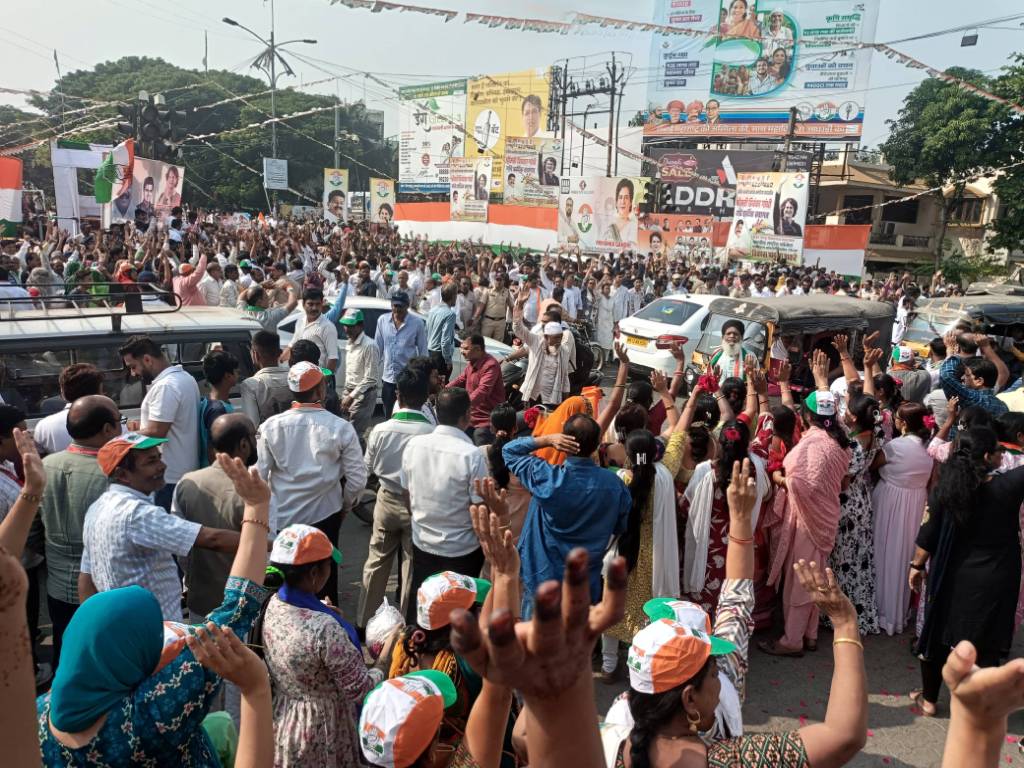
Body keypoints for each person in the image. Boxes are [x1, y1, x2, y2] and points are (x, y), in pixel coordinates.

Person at [39, 453, 273, 766]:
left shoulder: (40, 716)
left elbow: (86, 579)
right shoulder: (156, 711)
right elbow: (237, 608)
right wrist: (257, 510)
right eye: (153, 635)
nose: (161, 465)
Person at [910, 427, 1024, 717]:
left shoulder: (948, 491)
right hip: (997, 578)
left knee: (937, 633)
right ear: (987, 457)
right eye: (999, 451)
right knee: (986, 641)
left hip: (953, 575)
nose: (1004, 454)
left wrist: (917, 566)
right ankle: (976, 706)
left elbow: (929, 533)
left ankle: (929, 700)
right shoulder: (1008, 487)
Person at [262, 523, 393, 767]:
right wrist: (387, 654)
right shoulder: (325, 628)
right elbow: (361, 689)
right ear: (314, 574)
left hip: (286, 720)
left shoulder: (271, 605)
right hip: (323, 729)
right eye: (328, 566)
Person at [78, 432, 245, 620]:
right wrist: (273, 542)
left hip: (121, 627)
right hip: (156, 633)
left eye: (159, 458)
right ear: (123, 475)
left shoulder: (97, 508)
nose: (162, 466)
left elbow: (86, 576)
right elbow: (211, 539)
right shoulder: (137, 514)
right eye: (151, 462)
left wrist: (92, 623)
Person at [256, 361, 366, 601]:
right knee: (324, 589)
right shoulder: (340, 428)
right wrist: (345, 507)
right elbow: (357, 480)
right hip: (325, 520)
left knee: (284, 592)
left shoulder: (270, 427)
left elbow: (260, 477)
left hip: (284, 522)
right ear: (320, 391)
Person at [503, 414, 632, 616]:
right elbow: (620, 527)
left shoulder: (547, 477)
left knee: (535, 642)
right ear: (597, 444)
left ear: (564, 442)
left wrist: (547, 440)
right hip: (583, 583)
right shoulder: (615, 485)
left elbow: (509, 451)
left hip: (541, 578)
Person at [760, 373, 852, 657]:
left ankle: (792, 640)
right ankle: (809, 634)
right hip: (825, 517)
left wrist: (778, 479)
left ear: (807, 416)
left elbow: (799, 484)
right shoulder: (840, 438)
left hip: (808, 521)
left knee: (800, 582)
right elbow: (842, 480)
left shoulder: (813, 444)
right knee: (815, 577)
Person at [600, 414, 693, 680]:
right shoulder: (666, 472)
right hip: (655, 559)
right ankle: (638, 667)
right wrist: (688, 396)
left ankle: (608, 667)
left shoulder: (620, 480)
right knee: (644, 614)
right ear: (654, 452)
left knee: (612, 608)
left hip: (621, 556)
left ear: (629, 455)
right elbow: (676, 436)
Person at [38, 395, 122, 673]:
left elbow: (32, 529)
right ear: (107, 430)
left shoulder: (46, 465)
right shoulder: (110, 473)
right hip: (99, 585)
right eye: (119, 422)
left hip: (56, 584)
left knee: (66, 649)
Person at [400, 388, 489, 622]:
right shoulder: (472, 455)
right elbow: (480, 507)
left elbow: (405, 493)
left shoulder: (414, 446)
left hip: (423, 542)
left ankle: (419, 654)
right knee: (457, 617)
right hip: (462, 550)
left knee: (424, 612)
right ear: (468, 414)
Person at [359, 366, 435, 630]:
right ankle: (402, 628)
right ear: (425, 397)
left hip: (386, 500)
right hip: (419, 505)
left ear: (398, 395)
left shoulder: (380, 430)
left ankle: (365, 621)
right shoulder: (431, 432)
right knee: (410, 567)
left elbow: (365, 469)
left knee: (377, 562)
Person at [872, 401, 933, 636]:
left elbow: (872, 465)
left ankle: (882, 611)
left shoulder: (895, 446)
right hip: (916, 503)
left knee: (885, 553)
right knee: (904, 555)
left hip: (891, 502)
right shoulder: (930, 446)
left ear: (903, 423)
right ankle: (899, 610)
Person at [120, 334, 201, 510]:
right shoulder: (185, 377)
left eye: (133, 366)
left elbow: (157, 432)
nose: (133, 373)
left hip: (169, 477)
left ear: (147, 359)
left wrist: (122, 436)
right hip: (181, 472)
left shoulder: (166, 386)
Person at [828, 394, 882, 636]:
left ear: (853, 416)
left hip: (848, 502)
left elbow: (843, 481)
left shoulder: (853, 445)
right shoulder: (874, 435)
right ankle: (860, 614)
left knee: (843, 560)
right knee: (859, 559)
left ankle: (840, 615)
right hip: (863, 499)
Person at [513, 287, 572, 408]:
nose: (557, 340)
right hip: (532, 395)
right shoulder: (536, 340)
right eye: (554, 337)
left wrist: (564, 402)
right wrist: (519, 305)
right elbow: (518, 328)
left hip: (551, 399)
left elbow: (564, 377)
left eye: (559, 337)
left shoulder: (564, 350)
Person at [33, 363, 104, 455]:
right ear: (98, 392)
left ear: (63, 392)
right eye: (102, 389)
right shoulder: (117, 420)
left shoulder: (43, 426)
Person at [376, 291, 428, 417]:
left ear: (407, 306)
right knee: (388, 414)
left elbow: (423, 351)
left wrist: (422, 375)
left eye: (401, 306)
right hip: (388, 378)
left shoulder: (417, 323)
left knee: (407, 413)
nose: (397, 309)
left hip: (408, 379)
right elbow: (378, 348)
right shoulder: (383, 321)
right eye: (395, 306)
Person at [448, 334, 505, 444]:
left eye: (465, 348)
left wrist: (462, 405)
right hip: (470, 417)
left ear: (478, 349)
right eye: (461, 347)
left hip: (486, 420)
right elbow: (461, 379)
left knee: (480, 448)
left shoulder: (490, 365)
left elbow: (483, 390)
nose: (461, 351)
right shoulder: (472, 362)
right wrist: (443, 391)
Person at [940, 331, 1009, 419]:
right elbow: (1003, 373)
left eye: (967, 375)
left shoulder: (972, 398)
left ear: (979, 381)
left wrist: (950, 351)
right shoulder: (1002, 405)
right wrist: (986, 347)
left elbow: (946, 376)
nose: (962, 378)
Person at [338, 308, 382, 444]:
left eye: (351, 326)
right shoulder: (349, 342)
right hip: (349, 391)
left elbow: (371, 378)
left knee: (355, 434)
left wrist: (351, 396)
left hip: (364, 394)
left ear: (360, 326)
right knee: (345, 431)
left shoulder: (369, 346)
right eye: (345, 325)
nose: (347, 329)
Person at [240, 330, 292, 426]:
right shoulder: (294, 377)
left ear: (255, 355)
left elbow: (252, 424)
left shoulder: (251, 385)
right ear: (279, 353)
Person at [283, 287, 339, 372]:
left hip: (316, 378)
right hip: (299, 375)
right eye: (310, 304)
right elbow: (292, 345)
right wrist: (279, 361)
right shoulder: (301, 321)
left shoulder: (327, 327)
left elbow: (333, 359)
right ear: (303, 304)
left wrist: (323, 381)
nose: (314, 308)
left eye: (318, 304)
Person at [198, 349, 238, 467]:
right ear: (228, 376)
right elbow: (214, 450)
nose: (238, 373)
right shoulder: (217, 409)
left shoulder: (208, 401)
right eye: (236, 371)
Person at [426, 282, 458, 379]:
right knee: (441, 387)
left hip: (430, 352)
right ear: (453, 296)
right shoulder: (450, 314)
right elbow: (445, 341)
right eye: (456, 294)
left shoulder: (433, 310)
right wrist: (448, 361)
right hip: (440, 357)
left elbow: (426, 331)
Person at [709, 319, 751, 384]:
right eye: (728, 333)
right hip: (719, 393)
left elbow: (756, 381)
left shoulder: (749, 356)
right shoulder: (716, 354)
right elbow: (709, 377)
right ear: (723, 337)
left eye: (735, 334)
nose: (732, 336)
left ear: (742, 337)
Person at [603, 178, 638, 245]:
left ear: (630, 202)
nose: (623, 201)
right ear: (616, 201)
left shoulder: (633, 225)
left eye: (626, 197)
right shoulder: (608, 223)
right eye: (620, 197)